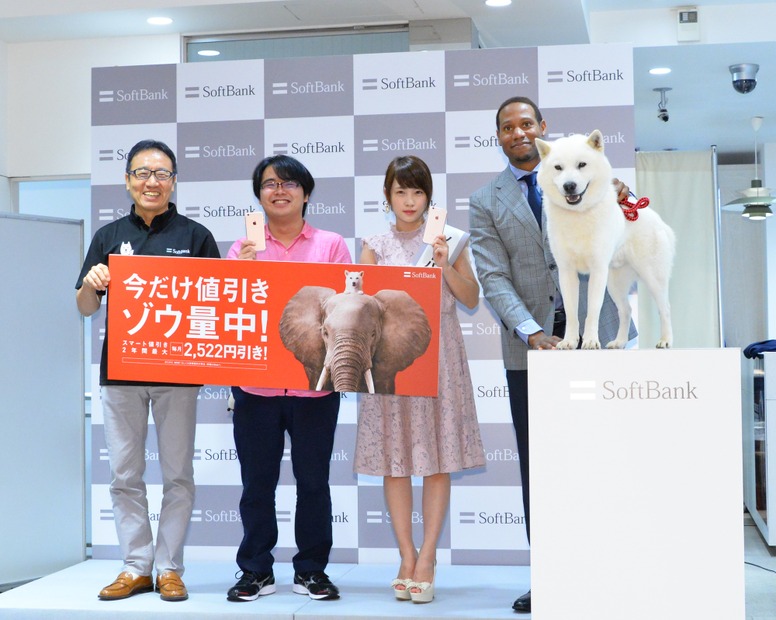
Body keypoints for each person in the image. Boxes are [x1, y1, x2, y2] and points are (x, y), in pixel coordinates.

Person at [468, 97, 635, 613]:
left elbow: (627, 240)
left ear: (543, 128)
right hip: (531, 352)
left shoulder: (593, 174)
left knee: (602, 460)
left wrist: (625, 202)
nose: (517, 132)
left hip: (598, 337)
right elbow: (492, 275)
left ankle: (607, 572)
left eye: (525, 123)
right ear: (498, 136)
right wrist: (530, 330)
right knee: (539, 467)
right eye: (506, 127)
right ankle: (550, 576)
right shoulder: (485, 199)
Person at [76, 139, 221, 602]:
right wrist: (92, 283)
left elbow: (215, 304)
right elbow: (82, 306)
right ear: (127, 181)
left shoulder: (196, 236)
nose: (151, 182)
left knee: (178, 474)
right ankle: (136, 566)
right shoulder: (107, 236)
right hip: (120, 374)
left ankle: (170, 568)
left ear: (174, 181)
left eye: (161, 173)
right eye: (142, 173)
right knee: (125, 475)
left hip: (178, 374)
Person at [354, 155, 485, 604]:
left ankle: (427, 557)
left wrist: (446, 266)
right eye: (400, 192)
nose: (409, 201)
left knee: (436, 459)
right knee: (395, 460)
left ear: (429, 196)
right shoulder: (372, 242)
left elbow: (471, 297)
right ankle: (405, 555)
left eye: (417, 192)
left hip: (440, 358)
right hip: (390, 360)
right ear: (387, 196)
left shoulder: (447, 239)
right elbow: (362, 305)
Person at [225, 155, 351, 603]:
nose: (279, 190)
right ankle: (256, 570)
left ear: (306, 193)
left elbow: (344, 311)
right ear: (258, 195)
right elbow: (231, 317)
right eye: (270, 184)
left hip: (314, 385)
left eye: (289, 183)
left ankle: (311, 569)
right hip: (255, 387)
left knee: (313, 481)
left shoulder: (332, 245)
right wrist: (244, 267)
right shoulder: (241, 249)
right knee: (256, 483)